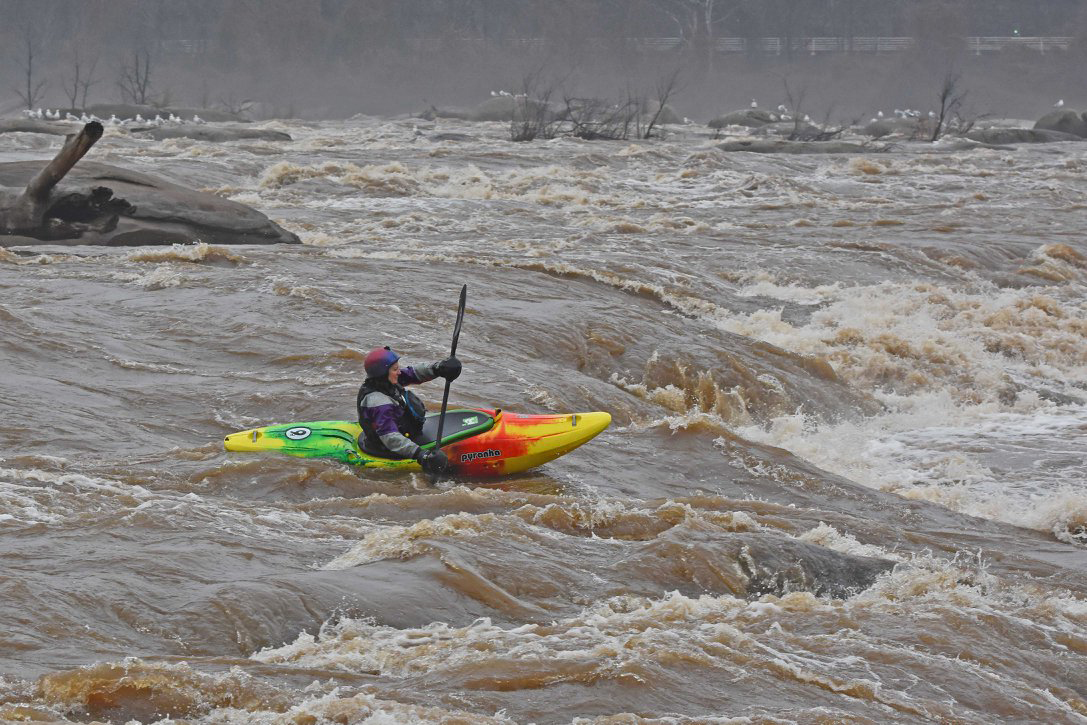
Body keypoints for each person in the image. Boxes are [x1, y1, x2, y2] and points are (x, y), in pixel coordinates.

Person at [356, 346, 461, 475]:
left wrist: (439, 368)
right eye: (395, 369)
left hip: (403, 430)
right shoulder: (378, 402)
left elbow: (413, 373)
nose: (399, 372)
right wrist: (421, 455)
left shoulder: (386, 381)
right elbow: (390, 438)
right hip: (386, 446)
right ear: (383, 373)